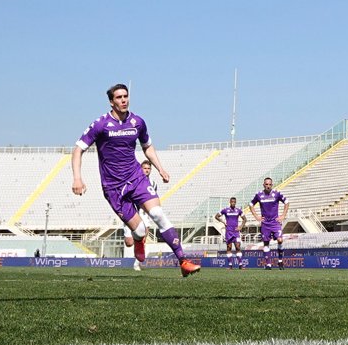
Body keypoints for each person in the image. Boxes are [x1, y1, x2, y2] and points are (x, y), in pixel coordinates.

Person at [72, 83, 200, 277]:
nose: (123, 100)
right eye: (119, 97)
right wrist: (77, 178)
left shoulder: (138, 122)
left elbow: (147, 146)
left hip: (136, 177)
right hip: (114, 187)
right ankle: (139, 239)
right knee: (139, 230)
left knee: (157, 213)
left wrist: (161, 168)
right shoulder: (100, 124)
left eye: (126, 96)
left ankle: (183, 260)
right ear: (111, 102)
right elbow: (78, 150)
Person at [122, 160, 158, 271]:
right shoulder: (133, 180)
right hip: (131, 213)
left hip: (144, 213)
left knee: (144, 237)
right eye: (144, 168)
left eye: (148, 168)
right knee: (129, 243)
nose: (146, 170)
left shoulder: (153, 183)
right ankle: (134, 238)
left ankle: (137, 263)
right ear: (140, 169)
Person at [249, 178, 288, 270]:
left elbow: (287, 202)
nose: (268, 186)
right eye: (266, 184)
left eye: (270, 184)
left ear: (272, 185)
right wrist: (256, 216)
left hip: (275, 222)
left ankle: (280, 261)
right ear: (263, 185)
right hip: (265, 223)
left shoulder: (277, 194)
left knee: (280, 240)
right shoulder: (259, 195)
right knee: (266, 243)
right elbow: (251, 205)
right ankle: (268, 264)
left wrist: (283, 215)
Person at [215, 197, 247, 269]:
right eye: (232, 202)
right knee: (229, 248)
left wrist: (241, 227)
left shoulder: (238, 210)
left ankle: (241, 265)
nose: (233, 203)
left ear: (235, 202)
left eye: (234, 202)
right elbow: (216, 216)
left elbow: (245, 219)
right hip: (228, 232)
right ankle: (230, 265)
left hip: (236, 232)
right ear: (230, 202)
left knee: (238, 247)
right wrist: (223, 222)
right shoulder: (225, 210)